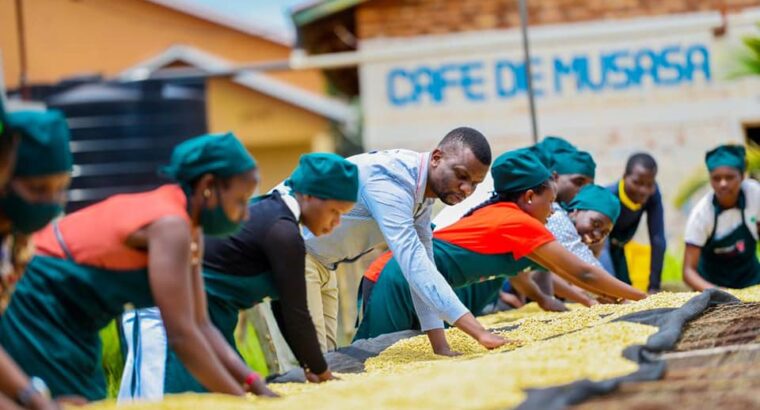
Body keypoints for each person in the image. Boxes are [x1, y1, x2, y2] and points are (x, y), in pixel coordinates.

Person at [0, 133, 277, 401]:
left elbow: (201, 324)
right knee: (70, 396)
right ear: (207, 186)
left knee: (88, 396)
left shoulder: (189, 227)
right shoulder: (171, 224)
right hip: (42, 299)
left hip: (77, 318)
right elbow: (182, 335)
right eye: (240, 201)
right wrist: (241, 399)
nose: (246, 213)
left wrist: (254, 383)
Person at [118, 153, 358, 400]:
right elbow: (296, 312)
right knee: (161, 400)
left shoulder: (281, 222)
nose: (336, 223)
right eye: (334, 211)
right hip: (167, 316)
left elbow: (286, 309)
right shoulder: (282, 231)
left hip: (207, 325)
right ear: (309, 196)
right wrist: (320, 370)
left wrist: (312, 367)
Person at [355, 149, 644, 342]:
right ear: (530, 197)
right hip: (399, 281)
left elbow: (539, 270)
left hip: (423, 286)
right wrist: (642, 298)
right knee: (372, 355)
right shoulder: (517, 222)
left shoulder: (509, 217)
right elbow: (583, 273)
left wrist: (550, 298)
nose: (554, 211)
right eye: (550, 201)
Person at [293, 127, 506, 355]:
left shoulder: (423, 196)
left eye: (474, 183)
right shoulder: (392, 181)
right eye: (461, 176)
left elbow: (425, 269)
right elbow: (415, 267)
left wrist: (441, 347)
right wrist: (480, 333)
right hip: (296, 253)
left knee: (326, 357)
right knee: (311, 362)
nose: (466, 189)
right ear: (436, 158)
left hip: (324, 264)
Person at [0, 108, 72, 410]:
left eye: (61, 189)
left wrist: (37, 400)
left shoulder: (17, 243)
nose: (51, 203)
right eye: (37, 189)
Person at [683, 144, 759, 290]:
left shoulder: (754, 194)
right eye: (716, 178)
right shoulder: (702, 214)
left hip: (752, 282)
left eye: (730, 177)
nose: (723, 184)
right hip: (713, 287)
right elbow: (688, 272)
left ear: (742, 176)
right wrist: (719, 292)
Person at [601, 153, 665, 292]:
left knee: (627, 289)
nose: (643, 190)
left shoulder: (652, 195)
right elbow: (601, 246)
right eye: (637, 182)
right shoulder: (609, 196)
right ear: (624, 177)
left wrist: (654, 287)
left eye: (649, 184)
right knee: (613, 293)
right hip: (597, 249)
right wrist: (611, 290)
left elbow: (658, 239)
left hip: (618, 247)